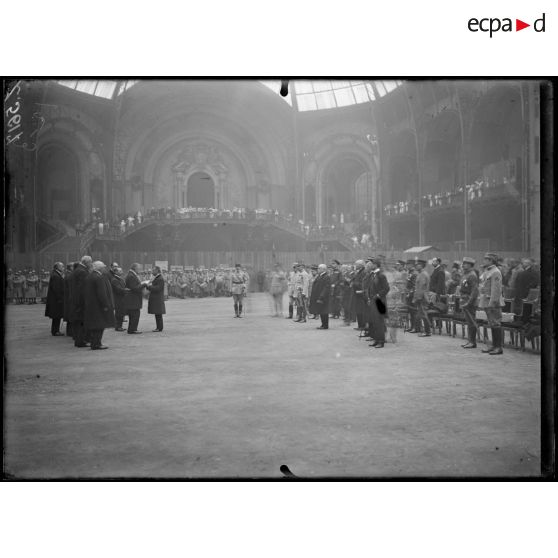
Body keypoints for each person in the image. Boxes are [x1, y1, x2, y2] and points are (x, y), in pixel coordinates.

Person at [84, 261, 115, 350]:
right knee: (99, 325)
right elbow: (102, 294)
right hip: (99, 306)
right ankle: (97, 343)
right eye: (103, 267)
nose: (104, 269)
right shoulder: (99, 278)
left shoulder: (89, 276)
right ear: (100, 268)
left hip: (91, 305)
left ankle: (94, 342)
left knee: (94, 325)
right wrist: (106, 305)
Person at [478, 253, 505, 355]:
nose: (484, 261)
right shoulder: (488, 271)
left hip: (493, 302)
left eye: (486, 259)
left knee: (496, 324)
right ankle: (494, 346)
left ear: (491, 261)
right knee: (492, 324)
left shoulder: (495, 272)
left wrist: (492, 302)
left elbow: (496, 289)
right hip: (487, 301)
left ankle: (498, 347)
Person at [69, 256, 92, 347]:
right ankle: (80, 341)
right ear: (86, 262)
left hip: (76, 300)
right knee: (81, 322)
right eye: (90, 262)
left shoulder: (78, 270)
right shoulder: (82, 271)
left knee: (79, 322)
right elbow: (83, 288)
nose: (91, 264)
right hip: (81, 301)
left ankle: (79, 340)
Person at [367, 258, 390, 348]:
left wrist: (378, 295)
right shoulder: (373, 275)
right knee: (374, 321)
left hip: (379, 302)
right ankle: (376, 340)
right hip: (373, 301)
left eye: (371, 264)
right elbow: (370, 288)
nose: (370, 265)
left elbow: (387, 288)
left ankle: (381, 341)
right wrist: (369, 297)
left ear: (376, 265)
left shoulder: (381, 275)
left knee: (379, 321)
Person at [459, 257, 479, 349]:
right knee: (468, 322)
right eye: (463, 263)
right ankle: (470, 340)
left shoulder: (472, 275)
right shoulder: (465, 274)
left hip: (470, 301)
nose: (463, 265)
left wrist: (469, 302)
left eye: (466, 263)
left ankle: (473, 342)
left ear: (470, 265)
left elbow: (474, 291)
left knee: (471, 322)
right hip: (464, 299)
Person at [45, 262, 65, 336]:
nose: (63, 267)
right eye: (62, 266)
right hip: (56, 300)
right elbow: (57, 289)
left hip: (55, 299)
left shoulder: (56, 274)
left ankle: (55, 330)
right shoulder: (56, 276)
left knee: (56, 317)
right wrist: (60, 298)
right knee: (57, 316)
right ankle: (55, 331)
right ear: (58, 267)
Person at [412, 259, 431, 337]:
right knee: (419, 315)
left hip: (422, 297)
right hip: (421, 297)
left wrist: (417, 298)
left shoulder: (423, 274)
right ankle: (420, 329)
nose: (416, 266)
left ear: (422, 266)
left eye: (418, 265)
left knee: (423, 315)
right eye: (416, 265)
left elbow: (421, 288)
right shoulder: (420, 274)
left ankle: (427, 331)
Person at [309, 264, 331, 330]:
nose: (317, 269)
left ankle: (325, 325)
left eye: (319, 268)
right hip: (318, 296)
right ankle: (323, 324)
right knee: (321, 311)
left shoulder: (326, 276)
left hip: (323, 297)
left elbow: (326, 288)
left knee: (324, 311)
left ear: (323, 269)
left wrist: (321, 296)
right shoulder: (320, 276)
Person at [124, 263, 145, 333]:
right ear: (135, 268)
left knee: (133, 315)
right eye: (139, 268)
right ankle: (133, 329)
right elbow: (134, 288)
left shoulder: (131, 275)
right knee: (135, 315)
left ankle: (131, 329)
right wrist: (143, 284)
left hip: (133, 299)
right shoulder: (131, 276)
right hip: (133, 299)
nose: (140, 270)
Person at [109, 263, 128, 331]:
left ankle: (120, 326)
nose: (121, 272)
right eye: (120, 271)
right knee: (119, 313)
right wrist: (126, 290)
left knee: (121, 313)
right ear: (116, 272)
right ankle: (118, 327)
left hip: (122, 299)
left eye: (121, 271)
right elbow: (118, 289)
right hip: (118, 299)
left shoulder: (120, 279)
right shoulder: (114, 280)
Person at [146, 265, 166, 331]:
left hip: (158, 299)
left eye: (153, 270)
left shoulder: (159, 278)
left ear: (157, 270)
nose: (152, 271)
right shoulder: (157, 278)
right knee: (157, 314)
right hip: (157, 299)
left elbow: (158, 288)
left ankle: (159, 327)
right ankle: (159, 327)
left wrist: (149, 287)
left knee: (158, 314)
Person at [350, 260, 367, 330]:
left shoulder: (363, 272)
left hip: (361, 294)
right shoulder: (359, 272)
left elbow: (363, 284)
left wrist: (354, 284)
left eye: (356, 264)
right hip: (357, 293)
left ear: (361, 265)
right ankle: (360, 325)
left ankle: (362, 326)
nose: (355, 266)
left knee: (361, 311)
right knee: (358, 310)